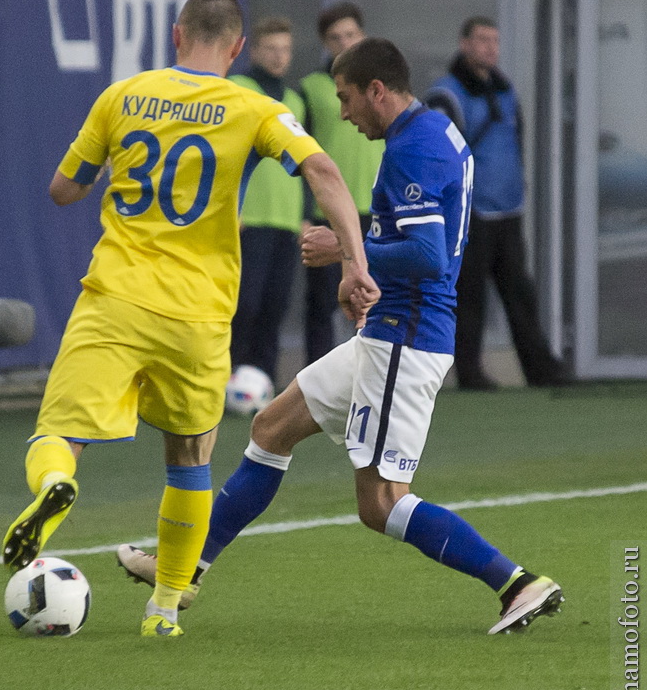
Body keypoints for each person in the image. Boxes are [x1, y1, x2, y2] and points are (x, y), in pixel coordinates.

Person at [118, 37, 564, 635]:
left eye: (349, 99)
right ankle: (186, 568)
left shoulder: (414, 149)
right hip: (388, 329)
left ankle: (516, 583)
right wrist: (361, 270)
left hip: (405, 341)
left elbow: (430, 256)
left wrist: (346, 252)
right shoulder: (431, 131)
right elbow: (414, 238)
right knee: (270, 428)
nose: (345, 114)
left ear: (378, 90)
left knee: (380, 503)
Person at [1, 0, 379, 638]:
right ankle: (164, 610)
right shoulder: (254, 106)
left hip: (116, 296)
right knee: (189, 458)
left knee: (59, 430)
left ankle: (54, 487)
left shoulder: (121, 96)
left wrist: (109, 169)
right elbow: (322, 171)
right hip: (198, 316)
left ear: (177, 35)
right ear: (236, 48)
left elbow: (63, 189)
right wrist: (353, 261)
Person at [425, 16, 572, 391]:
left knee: (520, 293)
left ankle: (542, 370)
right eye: (481, 40)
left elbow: (516, 140)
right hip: (471, 213)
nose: (490, 47)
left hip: (508, 209)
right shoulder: (447, 94)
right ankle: (469, 373)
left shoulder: (505, 90)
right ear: (464, 44)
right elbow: (439, 154)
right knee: (469, 295)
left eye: (495, 40)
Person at [300, 3, 384, 365]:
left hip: (377, 207)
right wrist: (303, 212)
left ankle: (373, 367)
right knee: (323, 302)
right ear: (325, 43)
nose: (344, 43)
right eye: (335, 37)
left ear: (363, 35)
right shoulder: (311, 89)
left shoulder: (382, 89)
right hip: (330, 210)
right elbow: (298, 155)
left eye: (350, 34)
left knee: (377, 294)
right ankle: (317, 375)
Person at [228, 17, 305, 388]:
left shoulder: (294, 100)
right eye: (271, 48)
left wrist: (305, 215)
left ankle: (264, 384)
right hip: (248, 218)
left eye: (285, 49)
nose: (279, 56)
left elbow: (306, 161)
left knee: (275, 307)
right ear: (254, 50)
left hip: (286, 220)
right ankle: (227, 379)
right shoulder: (237, 89)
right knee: (244, 305)